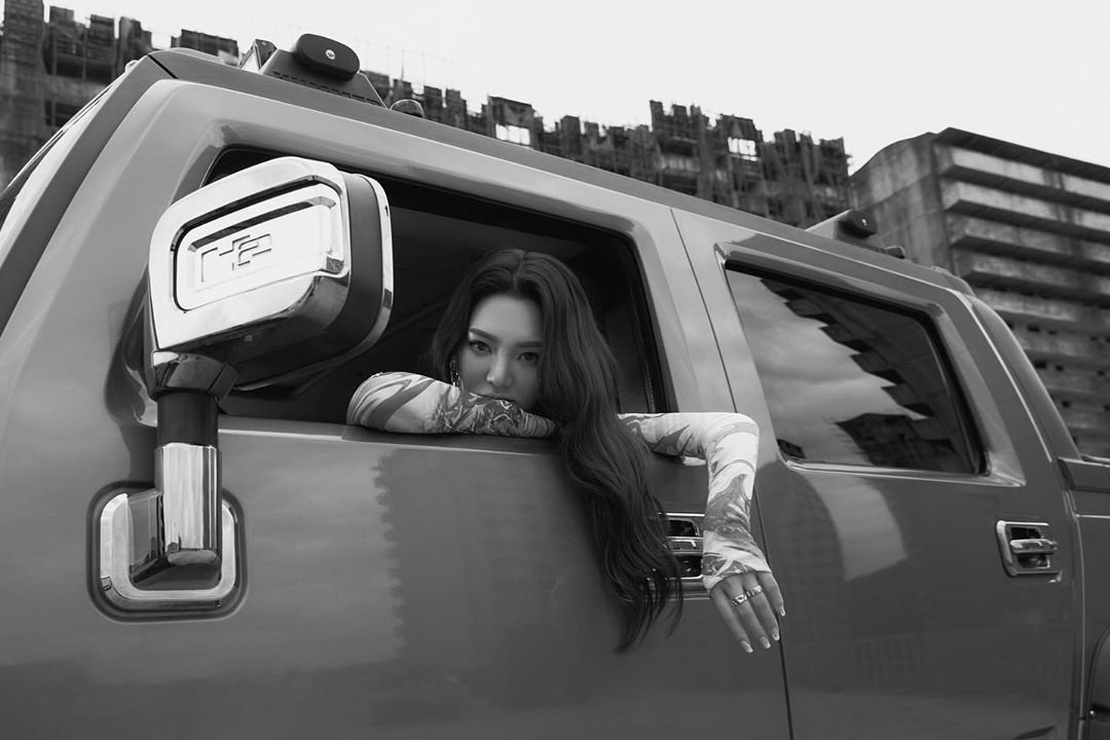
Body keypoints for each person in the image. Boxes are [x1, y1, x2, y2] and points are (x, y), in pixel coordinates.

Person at [347, 249, 783, 653]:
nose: (498, 376)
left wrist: (727, 534)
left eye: (530, 357)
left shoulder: (602, 431)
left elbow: (731, 428)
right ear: (457, 346)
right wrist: (543, 428)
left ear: (561, 362)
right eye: (481, 346)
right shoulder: (552, 429)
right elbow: (377, 397)